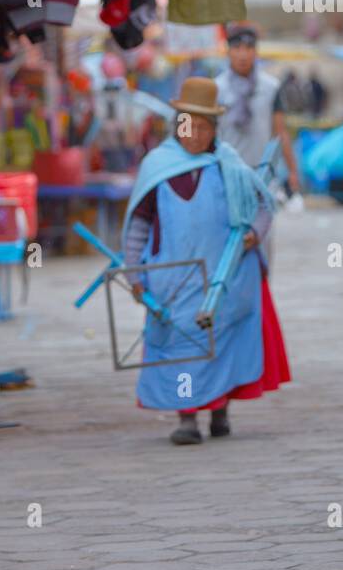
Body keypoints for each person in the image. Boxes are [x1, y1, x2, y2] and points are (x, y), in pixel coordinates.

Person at [122, 77, 290, 445]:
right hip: (173, 277)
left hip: (224, 275)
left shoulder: (228, 165)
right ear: (176, 125)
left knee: (221, 341)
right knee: (182, 342)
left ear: (214, 129)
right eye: (187, 124)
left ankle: (218, 411)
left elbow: (263, 206)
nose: (193, 133)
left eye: (202, 126)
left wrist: (252, 235)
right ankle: (186, 418)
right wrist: (134, 271)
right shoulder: (157, 167)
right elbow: (139, 224)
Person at [216, 23, 301, 192]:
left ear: (256, 52)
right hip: (226, 175)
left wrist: (292, 171)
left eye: (248, 48)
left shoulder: (271, 87)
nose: (243, 55)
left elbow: (280, 132)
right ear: (227, 51)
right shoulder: (216, 88)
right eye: (237, 48)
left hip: (262, 176)